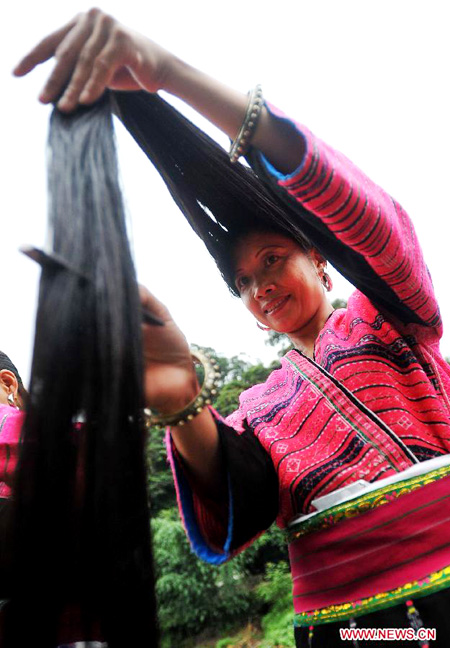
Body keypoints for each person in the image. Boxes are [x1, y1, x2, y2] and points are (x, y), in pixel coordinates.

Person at [15, 10, 450, 646]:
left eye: (273, 260)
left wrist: (171, 77)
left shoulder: (388, 317)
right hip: (347, 629)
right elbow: (237, 503)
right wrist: (182, 402)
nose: (261, 285)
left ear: (321, 261)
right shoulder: (259, 406)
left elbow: (378, 230)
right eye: (243, 281)